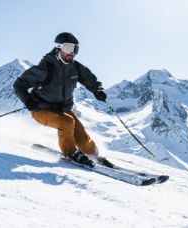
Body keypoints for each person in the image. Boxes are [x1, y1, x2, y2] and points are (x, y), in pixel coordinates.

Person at [13, 32, 113, 168]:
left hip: (63, 109)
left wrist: (98, 90)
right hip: (41, 109)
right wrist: (29, 101)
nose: (71, 53)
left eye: (75, 49)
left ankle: (93, 155)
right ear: (58, 48)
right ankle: (71, 153)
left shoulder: (76, 67)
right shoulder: (45, 68)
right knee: (67, 122)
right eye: (67, 48)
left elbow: (92, 81)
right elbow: (19, 85)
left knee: (83, 139)